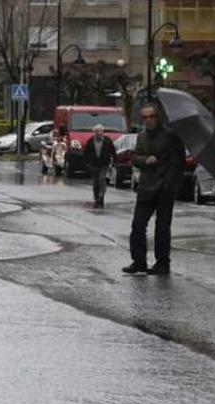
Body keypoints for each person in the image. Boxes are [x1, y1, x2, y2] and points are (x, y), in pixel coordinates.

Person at [122, 103, 186, 276]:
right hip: (146, 187)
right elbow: (134, 157)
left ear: (158, 117)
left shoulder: (170, 136)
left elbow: (178, 162)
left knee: (162, 227)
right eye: (145, 117)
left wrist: (169, 183)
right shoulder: (142, 137)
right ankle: (139, 261)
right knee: (138, 225)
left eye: (151, 116)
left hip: (165, 188)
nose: (148, 120)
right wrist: (145, 160)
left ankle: (162, 262)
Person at [82, 124, 117, 208]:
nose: (98, 133)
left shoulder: (107, 140)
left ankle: (101, 196)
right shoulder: (90, 141)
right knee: (95, 182)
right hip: (93, 165)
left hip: (104, 164)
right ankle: (96, 198)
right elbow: (86, 152)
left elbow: (113, 151)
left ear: (103, 132)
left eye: (100, 131)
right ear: (94, 132)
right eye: (96, 131)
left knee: (102, 179)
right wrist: (87, 163)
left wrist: (114, 161)